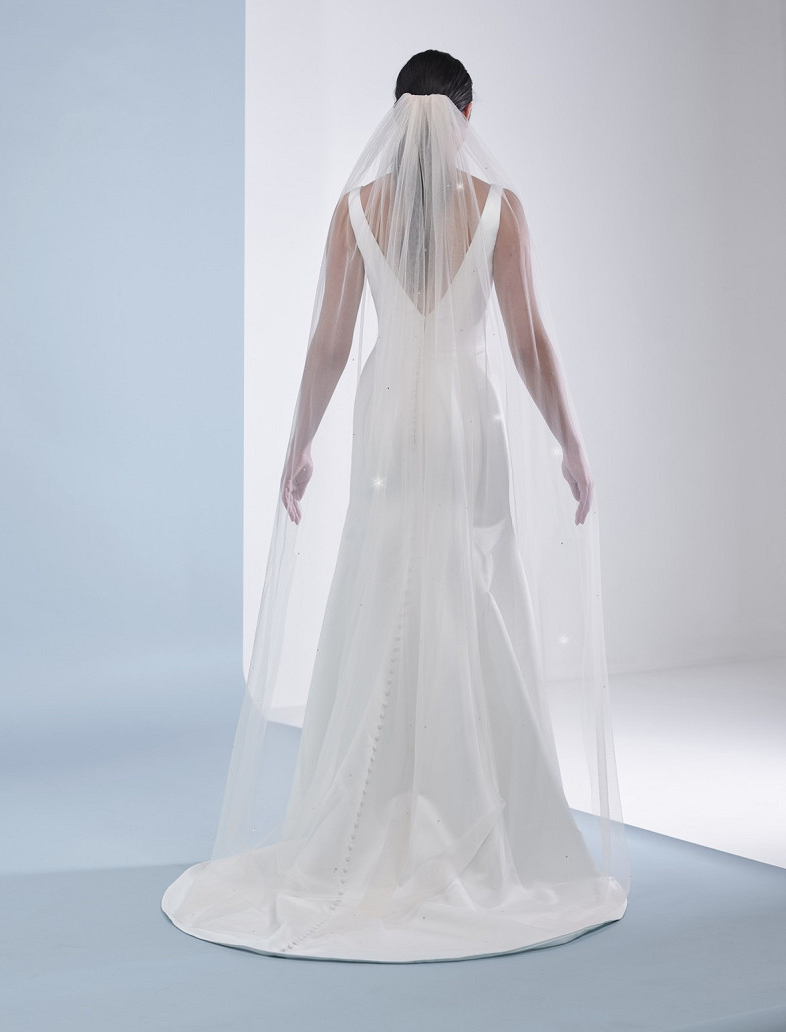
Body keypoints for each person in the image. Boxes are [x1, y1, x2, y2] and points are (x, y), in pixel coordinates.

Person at [161, 50, 630, 963]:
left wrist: (299, 443)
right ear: (466, 116)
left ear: (396, 115)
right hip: (463, 418)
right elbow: (528, 341)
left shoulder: (356, 211)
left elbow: (331, 343)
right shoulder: (498, 208)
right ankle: (471, 806)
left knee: (383, 591)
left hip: (386, 420)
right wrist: (570, 442)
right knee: (469, 592)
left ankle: (371, 809)